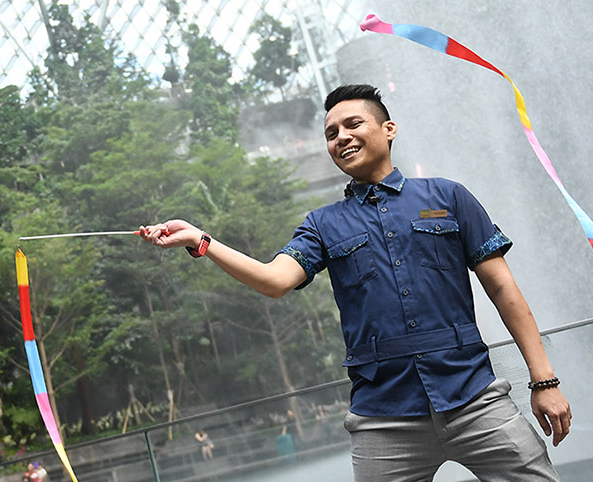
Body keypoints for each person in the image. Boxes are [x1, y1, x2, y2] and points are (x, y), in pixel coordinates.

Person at [138, 84, 571, 481]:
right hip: (384, 420)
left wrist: (544, 381)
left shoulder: (448, 196)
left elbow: (503, 290)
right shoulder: (322, 224)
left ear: (389, 129)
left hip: (474, 398)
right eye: (330, 133)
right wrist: (201, 240)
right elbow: (274, 280)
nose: (340, 137)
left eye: (352, 124)